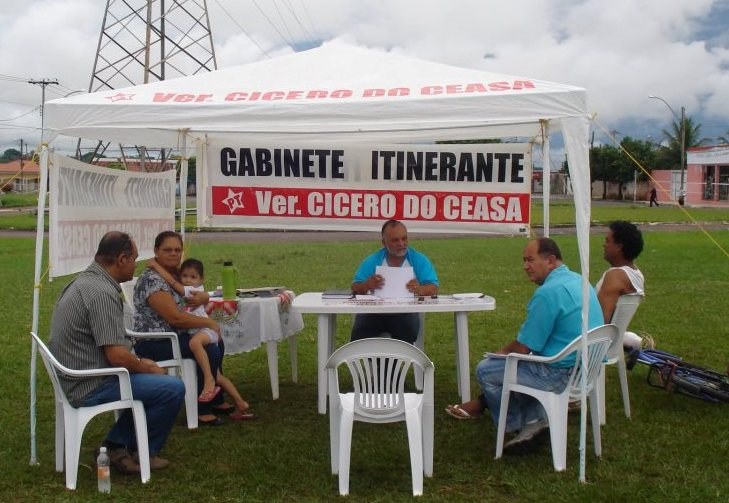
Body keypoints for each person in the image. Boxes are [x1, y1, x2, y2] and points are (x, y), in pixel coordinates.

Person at [445, 238, 603, 450]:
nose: (525, 266)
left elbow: (523, 347)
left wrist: (497, 355)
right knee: (511, 367)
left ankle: (522, 425)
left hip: (560, 373)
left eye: (530, 260)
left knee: (486, 370)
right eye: (524, 260)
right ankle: (534, 420)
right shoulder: (579, 280)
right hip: (587, 369)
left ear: (550, 260)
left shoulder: (548, 293)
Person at [49, 231, 185, 474]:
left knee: (158, 381)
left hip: (79, 374)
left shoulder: (86, 281)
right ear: (121, 258)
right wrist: (149, 367)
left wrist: (141, 362)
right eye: (133, 258)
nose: (135, 264)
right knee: (171, 388)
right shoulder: (101, 293)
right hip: (89, 383)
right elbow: (116, 356)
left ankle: (119, 444)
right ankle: (135, 450)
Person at [133, 231, 234, 426]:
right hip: (154, 342)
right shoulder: (152, 279)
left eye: (177, 250)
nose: (173, 253)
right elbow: (175, 317)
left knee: (216, 342)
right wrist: (208, 323)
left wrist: (203, 297)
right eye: (167, 250)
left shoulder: (175, 274)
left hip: (175, 336)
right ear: (156, 251)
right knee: (210, 348)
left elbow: (196, 294)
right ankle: (202, 408)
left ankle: (214, 396)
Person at [147, 256, 254, 420]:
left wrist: (156, 265)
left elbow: (173, 282)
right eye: (185, 276)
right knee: (220, 375)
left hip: (205, 330)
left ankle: (208, 380)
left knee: (195, 343)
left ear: (201, 279)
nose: (188, 280)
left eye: (193, 277)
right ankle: (240, 403)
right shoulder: (194, 289)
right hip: (203, 330)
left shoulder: (191, 291)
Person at [350, 219, 439, 343]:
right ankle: (375, 361)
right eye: (395, 240)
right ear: (384, 242)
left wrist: (420, 289)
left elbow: (433, 288)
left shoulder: (418, 259)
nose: (401, 243)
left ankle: (394, 361)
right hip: (374, 312)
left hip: (405, 312)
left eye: (404, 238)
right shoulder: (373, 260)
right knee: (360, 335)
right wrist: (366, 285)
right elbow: (355, 286)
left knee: (407, 330)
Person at [596, 220, 645, 350]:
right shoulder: (636, 273)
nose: (604, 245)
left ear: (619, 246)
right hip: (615, 338)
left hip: (600, 342)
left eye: (608, 241)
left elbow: (600, 322)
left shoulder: (615, 276)